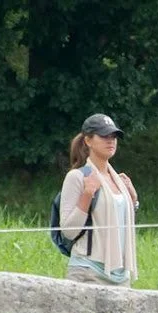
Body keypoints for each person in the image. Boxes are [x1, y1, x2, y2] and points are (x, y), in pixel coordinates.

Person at [59, 113, 139, 287]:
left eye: (114, 136)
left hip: (120, 275)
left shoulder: (120, 180)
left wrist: (133, 201)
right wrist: (87, 194)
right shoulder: (77, 177)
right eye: (104, 136)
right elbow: (68, 230)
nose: (111, 141)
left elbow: (121, 224)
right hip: (88, 272)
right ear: (88, 140)